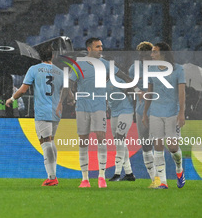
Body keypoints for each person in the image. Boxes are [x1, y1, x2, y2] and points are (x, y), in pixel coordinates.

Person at [57, 37, 140, 188]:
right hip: (82, 107)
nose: (101, 49)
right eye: (97, 47)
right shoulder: (79, 64)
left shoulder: (106, 64)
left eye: (101, 46)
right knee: (83, 141)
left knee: (101, 138)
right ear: (89, 49)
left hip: (100, 106)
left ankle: (101, 177)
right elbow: (69, 83)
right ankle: (85, 179)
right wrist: (62, 101)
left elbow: (123, 76)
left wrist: (136, 88)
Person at [6, 43, 63, 186]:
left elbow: (23, 89)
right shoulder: (60, 72)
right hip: (56, 111)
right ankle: (53, 175)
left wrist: (12, 98)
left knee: (45, 142)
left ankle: (52, 177)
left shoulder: (34, 69)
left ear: (39, 56)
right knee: (51, 140)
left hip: (43, 111)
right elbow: (65, 92)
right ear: (53, 56)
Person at [142, 42, 186, 189]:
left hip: (172, 113)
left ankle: (179, 169)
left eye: (155, 52)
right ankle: (163, 182)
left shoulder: (178, 69)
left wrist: (181, 113)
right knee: (158, 146)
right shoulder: (151, 70)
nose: (151, 54)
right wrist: (145, 113)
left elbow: (181, 93)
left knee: (173, 147)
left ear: (164, 54)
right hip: (155, 112)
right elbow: (150, 92)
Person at [129, 41, 161, 188]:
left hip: (158, 111)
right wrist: (137, 91)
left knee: (159, 144)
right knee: (146, 145)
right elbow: (129, 85)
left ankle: (162, 178)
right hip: (141, 110)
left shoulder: (160, 68)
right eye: (141, 56)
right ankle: (155, 179)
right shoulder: (133, 69)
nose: (144, 59)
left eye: (147, 55)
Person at [107, 76, 136, 181]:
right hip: (114, 113)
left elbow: (130, 87)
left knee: (119, 138)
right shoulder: (99, 82)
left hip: (126, 110)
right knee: (119, 142)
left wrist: (129, 90)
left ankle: (117, 173)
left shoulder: (117, 79)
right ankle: (129, 173)